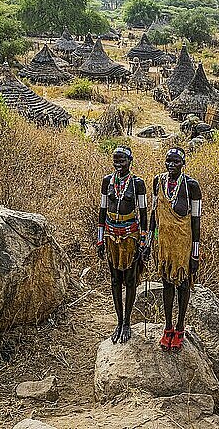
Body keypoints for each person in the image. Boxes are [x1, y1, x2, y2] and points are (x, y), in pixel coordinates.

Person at [149, 147, 201, 352]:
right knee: (166, 284)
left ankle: (180, 328)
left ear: (183, 164)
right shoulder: (158, 182)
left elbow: (196, 221)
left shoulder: (191, 186)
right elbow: (154, 215)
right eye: (168, 161)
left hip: (183, 245)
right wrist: (149, 240)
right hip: (164, 245)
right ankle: (168, 326)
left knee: (183, 285)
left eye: (176, 162)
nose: (171, 165)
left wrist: (195, 253)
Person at [97, 146, 147, 344]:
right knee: (115, 279)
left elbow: (143, 214)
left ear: (130, 161)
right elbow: (102, 210)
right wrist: (100, 239)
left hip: (130, 235)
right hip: (111, 234)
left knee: (130, 278)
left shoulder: (137, 184)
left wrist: (144, 241)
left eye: (122, 160)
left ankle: (127, 322)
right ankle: (119, 322)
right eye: (115, 160)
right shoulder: (107, 181)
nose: (118, 164)